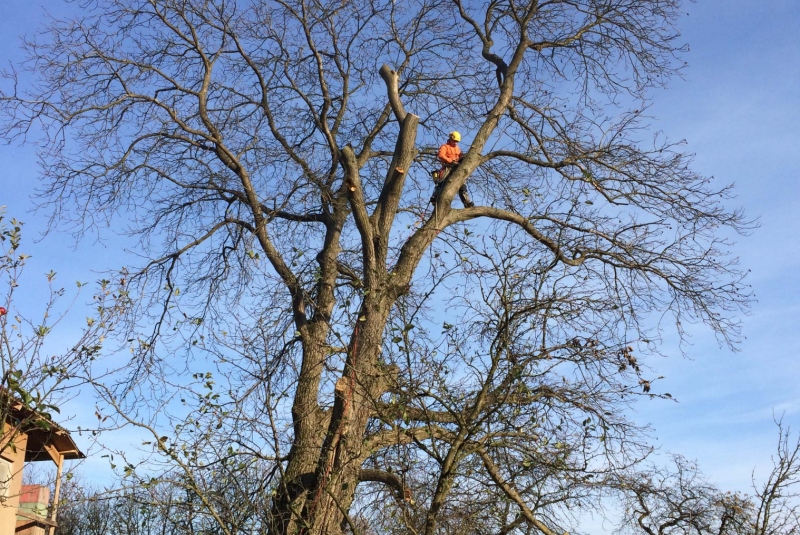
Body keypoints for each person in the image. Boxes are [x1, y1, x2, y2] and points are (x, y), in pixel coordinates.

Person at [430, 131, 474, 208]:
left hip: (456, 168)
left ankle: (466, 202)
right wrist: (450, 161)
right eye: (454, 141)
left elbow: (460, 155)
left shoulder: (457, 148)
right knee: (442, 183)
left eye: (457, 141)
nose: (455, 143)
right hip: (447, 167)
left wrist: (463, 157)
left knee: (462, 184)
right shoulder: (445, 147)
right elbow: (441, 155)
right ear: (450, 138)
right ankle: (435, 198)